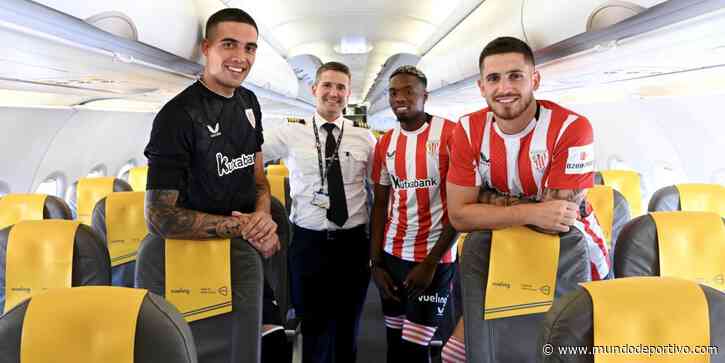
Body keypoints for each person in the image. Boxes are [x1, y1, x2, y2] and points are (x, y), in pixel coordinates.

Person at [443, 36, 610, 360]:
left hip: (572, 252)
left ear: (534, 79)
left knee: (569, 349)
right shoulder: (466, 130)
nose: (504, 87)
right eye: (494, 78)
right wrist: (530, 211)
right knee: (457, 354)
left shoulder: (571, 127)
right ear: (481, 86)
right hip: (495, 250)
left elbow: (557, 222)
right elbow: (459, 216)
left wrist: (490, 199)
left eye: (515, 75)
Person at [141, 7, 281, 362]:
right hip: (190, 257)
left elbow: (259, 179)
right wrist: (246, 227)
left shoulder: (249, 102)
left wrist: (263, 219)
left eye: (250, 48)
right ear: (207, 47)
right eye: (229, 44)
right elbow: (159, 216)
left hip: (242, 251)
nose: (240, 57)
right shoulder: (177, 116)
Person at [262, 61, 376, 363]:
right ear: (314, 89)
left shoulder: (364, 137)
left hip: (352, 244)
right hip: (307, 243)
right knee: (312, 327)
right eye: (327, 85)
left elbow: (380, 187)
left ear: (349, 93)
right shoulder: (290, 131)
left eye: (340, 87)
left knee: (348, 328)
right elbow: (250, 156)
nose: (333, 93)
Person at [369, 65, 458, 362]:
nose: (400, 97)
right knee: (394, 343)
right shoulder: (385, 143)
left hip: (435, 260)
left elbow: (460, 207)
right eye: (394, 92)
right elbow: (380, 205)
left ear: (425, 95)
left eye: (409, 90)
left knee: (414, 350)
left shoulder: (451, 134)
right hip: (392, 256)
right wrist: (376, 263)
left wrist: (431, 262)